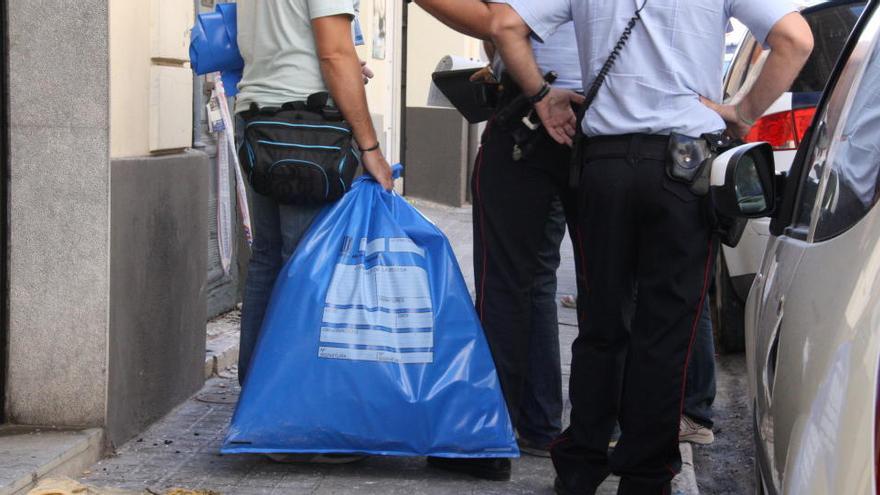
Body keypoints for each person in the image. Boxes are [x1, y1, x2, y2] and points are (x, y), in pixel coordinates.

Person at [488, 1, 813, 493]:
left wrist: (542, 94)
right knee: (667, 330)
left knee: (600, 323)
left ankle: (580, 465)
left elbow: (504, 24)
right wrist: (741, 114)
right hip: (683, 170)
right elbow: (796, 39)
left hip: (604, 166)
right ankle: (643, 475)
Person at [407, 0, 582, 481]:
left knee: (507, 282)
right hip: (605, 117)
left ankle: (487, 435)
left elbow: (498, 24)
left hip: (531, 110)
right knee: (576, 283)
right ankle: (554, 428)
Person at [234, 0, 393, 461]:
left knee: (269, 262)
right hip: (307, 125)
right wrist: (371, 146)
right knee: (310, 270)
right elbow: (334, 54)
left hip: (259, 115)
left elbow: (291, 41)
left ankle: (259, 408)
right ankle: (296, 424)